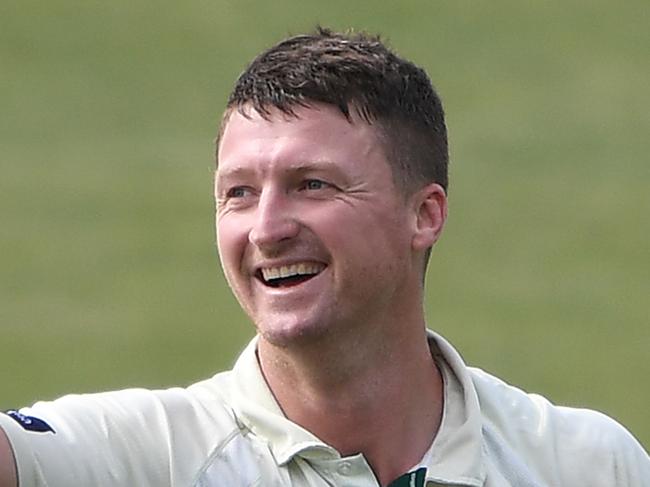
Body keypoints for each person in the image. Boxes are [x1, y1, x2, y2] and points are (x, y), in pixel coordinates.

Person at [0, 27, 648, 487]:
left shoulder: (585, 464)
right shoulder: (149, 457)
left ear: (425, 214)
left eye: (313, 184)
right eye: (239, 193)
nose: (267, 227)